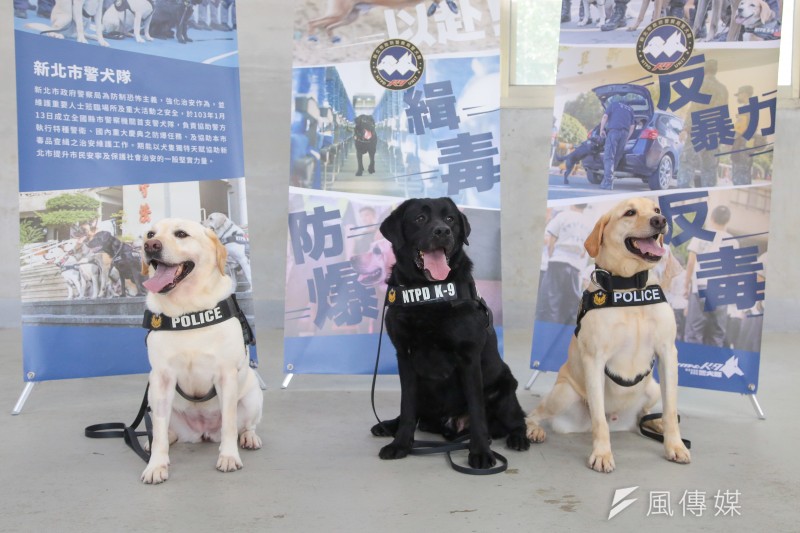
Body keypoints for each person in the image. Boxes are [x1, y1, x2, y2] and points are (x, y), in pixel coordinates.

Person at [683, 205, 736, 347]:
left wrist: (685, 286)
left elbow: (691, 263)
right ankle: (711, 365)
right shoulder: (732, 241)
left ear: (712, 218)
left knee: (694, 333)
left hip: (700, 289)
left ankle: (692, 366)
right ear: (728, 221)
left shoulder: (700, 235)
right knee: (716, 335)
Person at [535, 204, 593, 325]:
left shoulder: (563, 216)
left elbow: (551, 238)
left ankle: (548, 335)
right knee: (570, 306)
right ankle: (565, 337)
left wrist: (551, 254)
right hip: (575, 266)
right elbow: (585, 250)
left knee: (551, 303)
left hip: (558, 261)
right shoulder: (588, 222)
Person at [677, 59, 729, 188]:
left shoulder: (701, 84)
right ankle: (708, 194)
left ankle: (683, 193)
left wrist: (685, 129)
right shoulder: (723, 89)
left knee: (687, 162)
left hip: (699, 129)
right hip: (715, 132)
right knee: (710, 167)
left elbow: (695, 108)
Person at [598, 95, 635, 190]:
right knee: (616, 157)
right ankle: (607, 180)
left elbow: (605, 116)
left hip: (614, 132)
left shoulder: (613, 105)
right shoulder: (630, 110)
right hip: (624, 134)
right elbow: (632, 127)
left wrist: (601, 130)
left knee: (609, 156)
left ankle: (608, 183)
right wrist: (627, 138)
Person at [731, 85, 754, 185]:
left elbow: (740, 130)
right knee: (745, 175)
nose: (738, 97)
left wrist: (731, 141)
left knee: (739, 176)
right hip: (747, 147)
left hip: (741, 147)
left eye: (739, 95)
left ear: (744, 94)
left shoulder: (746, 108)